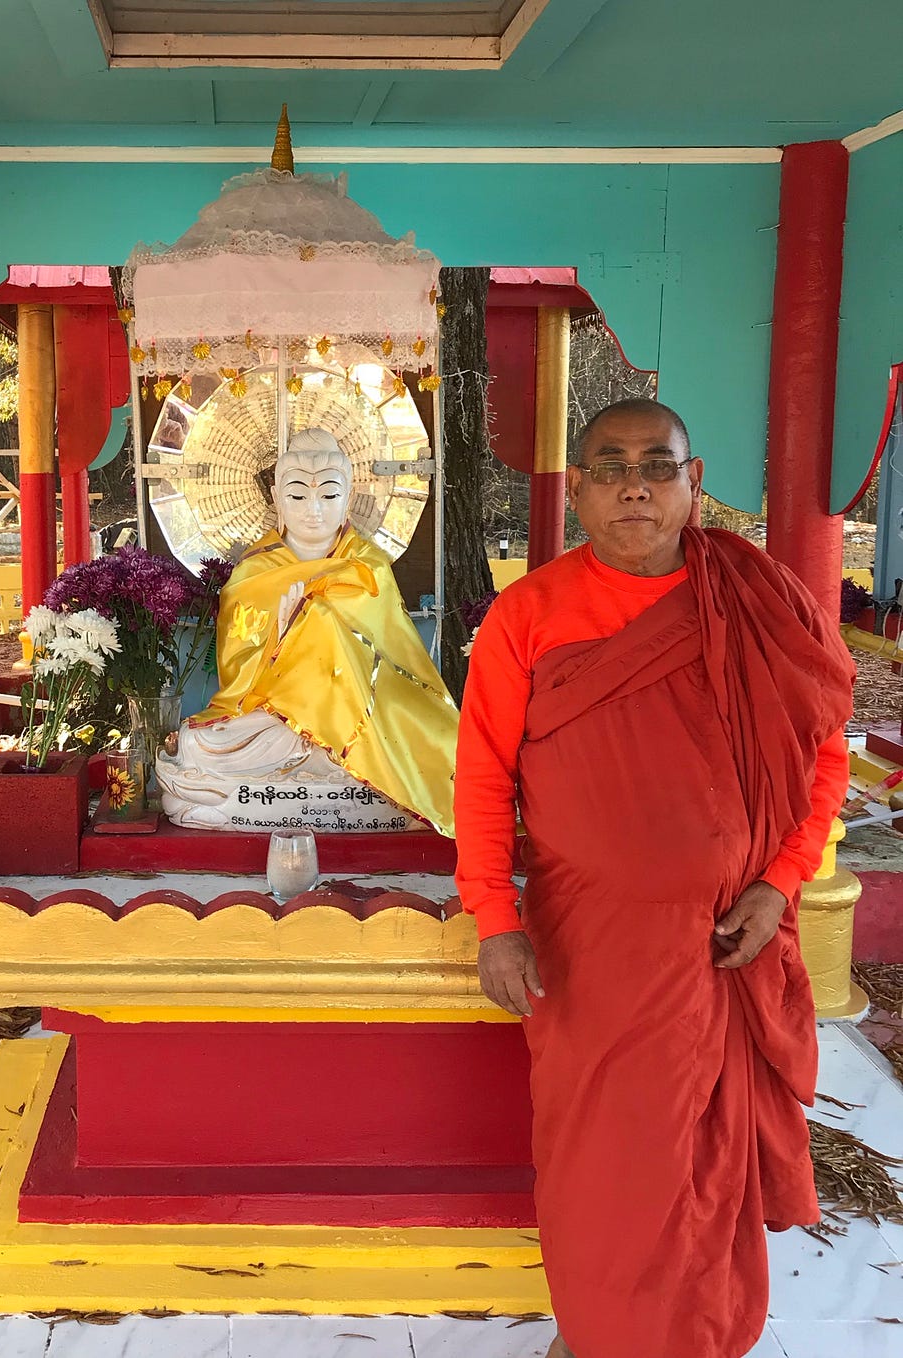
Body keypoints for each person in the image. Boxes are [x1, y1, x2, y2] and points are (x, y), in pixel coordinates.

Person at [453, 398, 853, 1358]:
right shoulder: (530, 613)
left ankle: (695, 1334)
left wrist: (780, 882)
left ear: (694, 479)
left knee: (706, 1155)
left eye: (658, 464)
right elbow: (481, 776)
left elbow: (822, 754)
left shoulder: (759, 600)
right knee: (606, 1158)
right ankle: (602, 1335)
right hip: (591, 945)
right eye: (611, 464)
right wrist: (494, 919)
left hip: (727, 938)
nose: (636, 482)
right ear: (578, 490)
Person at [157, 427, 459, 834]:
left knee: (430, 749)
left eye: (329, 495)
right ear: (277, 499)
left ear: (349, 497)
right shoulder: (253, 572)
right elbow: (237, 676)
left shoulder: (366, 567)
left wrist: (311, 624)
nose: (313, 510)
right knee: (198, 746)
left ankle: (363, 770)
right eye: (298, 496)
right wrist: (280, 643)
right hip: (277, 719)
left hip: (363, 713)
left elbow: (392, 658)